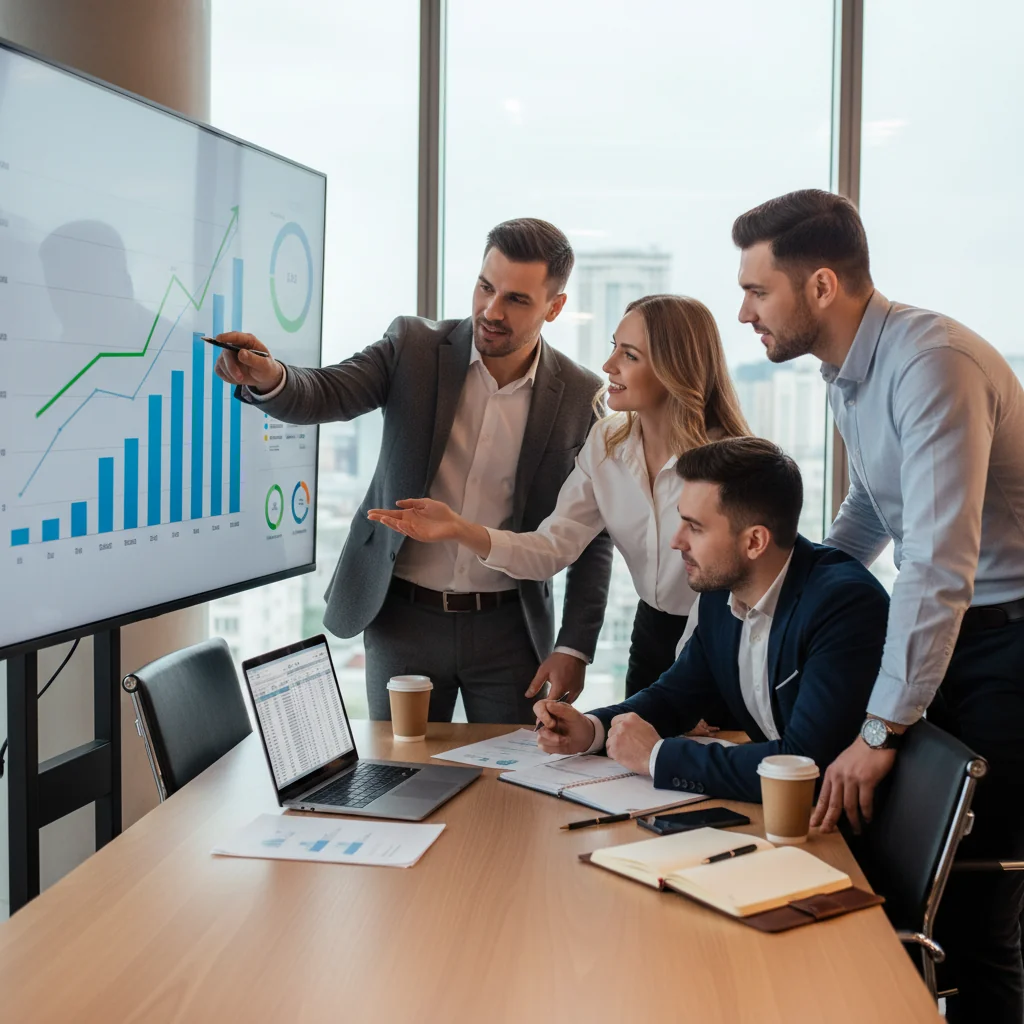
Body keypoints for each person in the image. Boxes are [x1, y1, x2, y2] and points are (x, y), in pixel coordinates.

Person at [732, 188, 1024, 1022]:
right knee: (901, 883)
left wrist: (880, 730)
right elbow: (871, 508)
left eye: (758, 291)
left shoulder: (931, 363)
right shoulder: (849, 376)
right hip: (954, 635)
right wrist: (793, 585)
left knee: (974, 914)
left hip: (1007, 642)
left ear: (821, 286)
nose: (745, 310)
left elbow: (935, 561)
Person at [213, 218, 613, 725]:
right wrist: (272, 377)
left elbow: (591, 535)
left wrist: (574, 646)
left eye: (516, 299)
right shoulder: (414, 347)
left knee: (514, 787)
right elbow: (329, 390)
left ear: (554, 307)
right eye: (485, 287)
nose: (491, 310)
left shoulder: (580, 396)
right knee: (395, 779)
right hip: (401, 620)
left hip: (511, 630)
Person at [368, 294, 749, 701]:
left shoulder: (731, 463)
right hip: (652, 634)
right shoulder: (606, 442)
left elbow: (738, 586)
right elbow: (552, 547)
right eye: (613, 346)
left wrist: (688, 686)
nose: (608, 366)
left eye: (630, 355)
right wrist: (461, 530)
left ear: (675, 368)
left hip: (722, 638)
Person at [531, 437, 890, 804]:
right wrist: (590, 730)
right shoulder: (722, 594)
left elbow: (805, 764)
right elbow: (675, 697)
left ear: (754, 542)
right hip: (782, 813)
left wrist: (656, 756)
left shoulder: (843, 606)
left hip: (850, 834)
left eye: (695, 527)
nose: (676, 541)